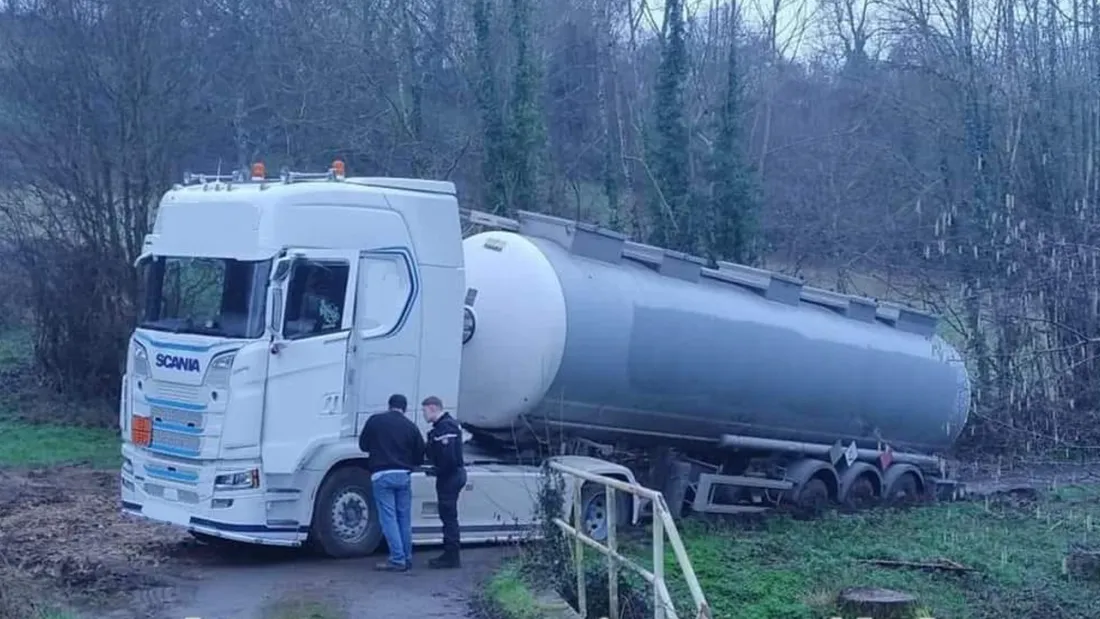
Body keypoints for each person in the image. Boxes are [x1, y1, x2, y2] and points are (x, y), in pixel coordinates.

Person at [358, 393, 425, 571]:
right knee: (404, 518)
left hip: (382, 475)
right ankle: (407, 557)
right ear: (405, 408)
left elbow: (363, 445)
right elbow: (419, 456)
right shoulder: (411, 427)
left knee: (389, 519)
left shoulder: (375, 421)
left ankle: (397, 559)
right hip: (403, 476)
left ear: (389, 406)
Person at [421, 395, 466, 569]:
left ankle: (451, 556)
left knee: (448, 516)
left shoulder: (445, 428)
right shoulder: (444, 426)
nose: (424, 415)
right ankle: (450, 554)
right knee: (448, 516)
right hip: (452, 475)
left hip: (450, 477)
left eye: (424, 410)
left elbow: (448, 458)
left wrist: (436, 470)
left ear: (433, 408)